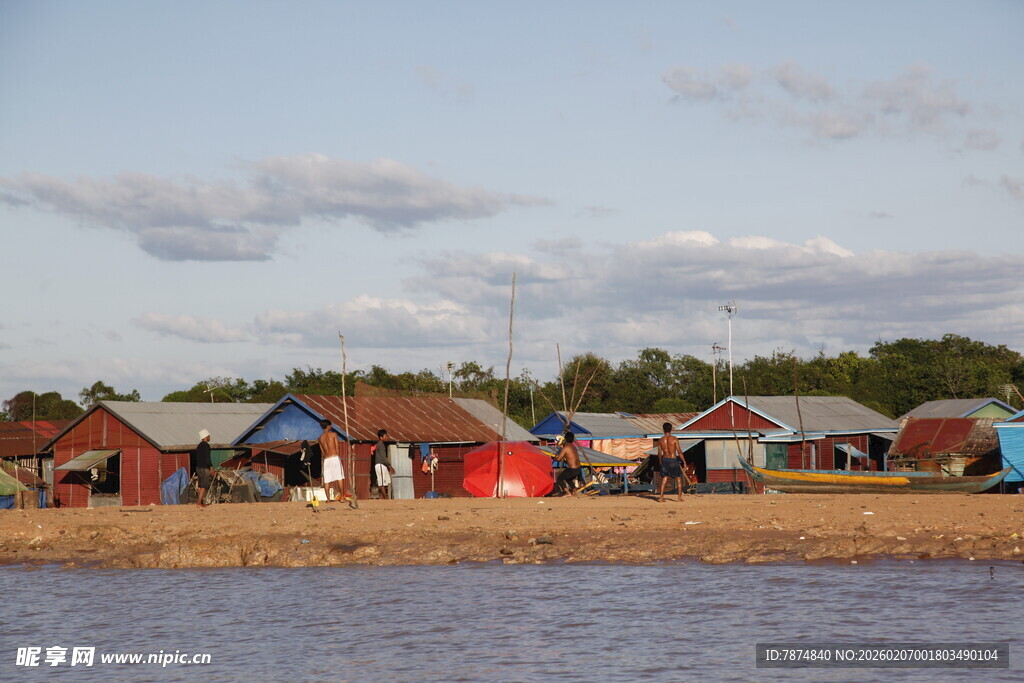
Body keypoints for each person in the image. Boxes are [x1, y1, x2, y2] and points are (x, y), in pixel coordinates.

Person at [317, 419, 349, 503]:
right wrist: (337, 455)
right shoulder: (333, 434)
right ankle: (342, 497)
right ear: (328, 426)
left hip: (326, 459)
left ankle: (328, 499)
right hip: (334, 457)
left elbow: (322, 452)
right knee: (339, 477)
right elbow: (337, 447)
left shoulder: (320, 438)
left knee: (326, 480)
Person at [657, 422, 688, 503]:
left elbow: (659, 453)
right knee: (678, 478)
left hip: (665, 460)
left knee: (664, 479)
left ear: (663, 429)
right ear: (671, 429)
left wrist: (660, 462)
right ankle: (679, 498)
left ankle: (661, 497)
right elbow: (679, 452)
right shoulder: (674, 439)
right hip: (673, 459)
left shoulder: (661, 440)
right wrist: (684, 462)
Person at [372, 428, 394, 499]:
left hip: (383, 465)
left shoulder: (381, 445)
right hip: (380, 465)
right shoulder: (380, 445)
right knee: (381, 482)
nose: (387, 438)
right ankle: (385, 498)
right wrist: (390, 466)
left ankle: (383, 497)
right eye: (385, 436)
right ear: (381, 437)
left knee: (385, 482)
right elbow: (383, 457)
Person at [195, 429, 213, 507]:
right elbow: (207, 458)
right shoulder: (206, 445)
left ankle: (200, 501)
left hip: (198, 467)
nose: (209, 437)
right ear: (206, 437)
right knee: (204, 485)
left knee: (200, 485)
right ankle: (199, 502)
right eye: (209, 436)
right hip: (204, 468)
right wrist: (211, 467)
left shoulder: (199, 446)